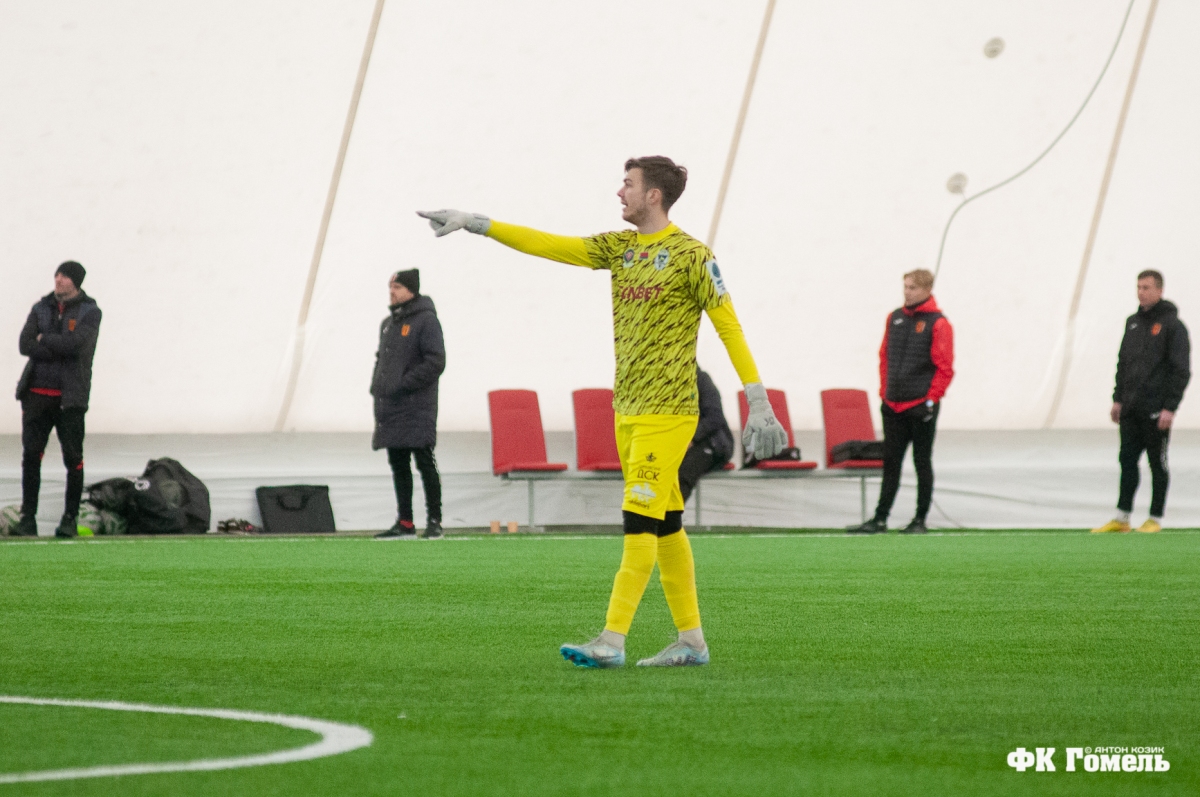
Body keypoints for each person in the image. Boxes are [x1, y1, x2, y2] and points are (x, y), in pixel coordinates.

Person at [418, 156, 787, 668]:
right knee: (666, 524)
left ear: (653, 195)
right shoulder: (619, 248)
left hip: (668, 412)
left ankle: (612, 641)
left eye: (628, 184)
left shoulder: (692, 256)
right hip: (628, 409)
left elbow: (730, 326)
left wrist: (758, 400)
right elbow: (551, 245)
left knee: (637, 523)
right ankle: (693, 642)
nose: (619, 192)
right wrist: (478, 223)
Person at [848, 268, 953, 536]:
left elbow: (944, 368)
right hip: (893, 405)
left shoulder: (939, 323)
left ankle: (920, 519)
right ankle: (880, 519)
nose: (907, 292)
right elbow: (884, 356)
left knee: (921, 462)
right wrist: (884, 392)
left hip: (921, 406)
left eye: (913, 288)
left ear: (927, 289)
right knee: (891, 462)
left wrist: (931, 400)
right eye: (905, 287)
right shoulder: (894, 317)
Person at [1092, 270, 1190, 534]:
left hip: (1156, 410)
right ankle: (1122, 517)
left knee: (1157, 463)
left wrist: (1170, 407)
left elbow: (1181, 370)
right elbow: (1123, 363)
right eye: (1138, 287)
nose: (1141, 292)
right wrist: (1118, 399)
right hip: (1131, 408)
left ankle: (1154, 518)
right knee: (1127, 460)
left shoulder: (1173, 326)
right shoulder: (1132, 323)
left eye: (1146, 287)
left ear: (1160, 290)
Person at [14, 261, 102, 538]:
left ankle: (69, 519)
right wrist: (55, 345)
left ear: (76, 281)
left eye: (64, 276)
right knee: (31, 457)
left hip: (70, 399)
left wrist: (44, 339)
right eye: (57, 274)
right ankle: (27, 519)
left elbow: (76, 347)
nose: (58, 279)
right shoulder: (41, 307)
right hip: (36, 396)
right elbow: (25, 344)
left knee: (73, 459)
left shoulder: (91, 312)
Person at [371, 269, 446, 540]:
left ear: (411, 290)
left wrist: (403, 384)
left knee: (424, 461)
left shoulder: (427, 320)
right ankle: (405, 522)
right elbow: (381, 359)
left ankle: (434, 521)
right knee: (398, 463)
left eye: (398, 287)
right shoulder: (388, 324)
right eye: (390, 287)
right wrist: (378, 386)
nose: (392, 292)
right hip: (392, 407)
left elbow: (436, 361)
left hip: (417, 406)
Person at [677, 366, 734, 503]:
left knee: (683, 474)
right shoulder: (664, 383)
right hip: (681, 444)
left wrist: (692, 438)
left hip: (714, 442)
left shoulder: (701, 380)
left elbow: (715, 417)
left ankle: (667, 515)